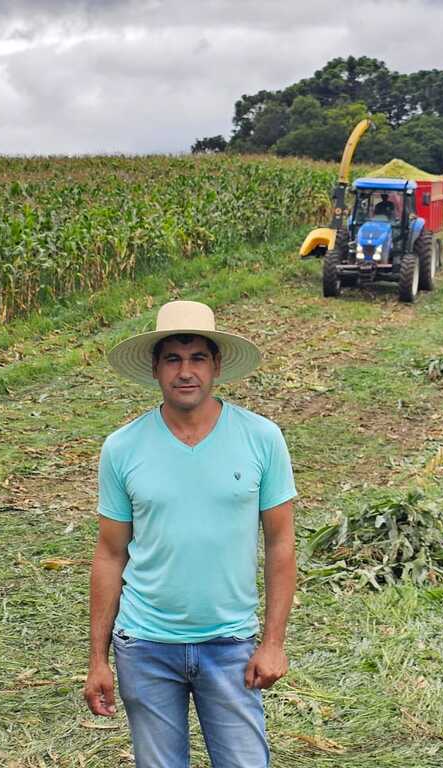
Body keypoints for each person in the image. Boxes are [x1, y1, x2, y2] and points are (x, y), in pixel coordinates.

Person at [84, 300, 297, 768]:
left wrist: (273, 642)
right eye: (174, 359)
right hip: (145, 646)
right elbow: (109, 554)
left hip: (231, 643)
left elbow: (281, 544)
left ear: (217, 366)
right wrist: (98, 659)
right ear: (156, 369)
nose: (186, 371)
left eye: (198, 357)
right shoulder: (122, 448)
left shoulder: (261, 438)